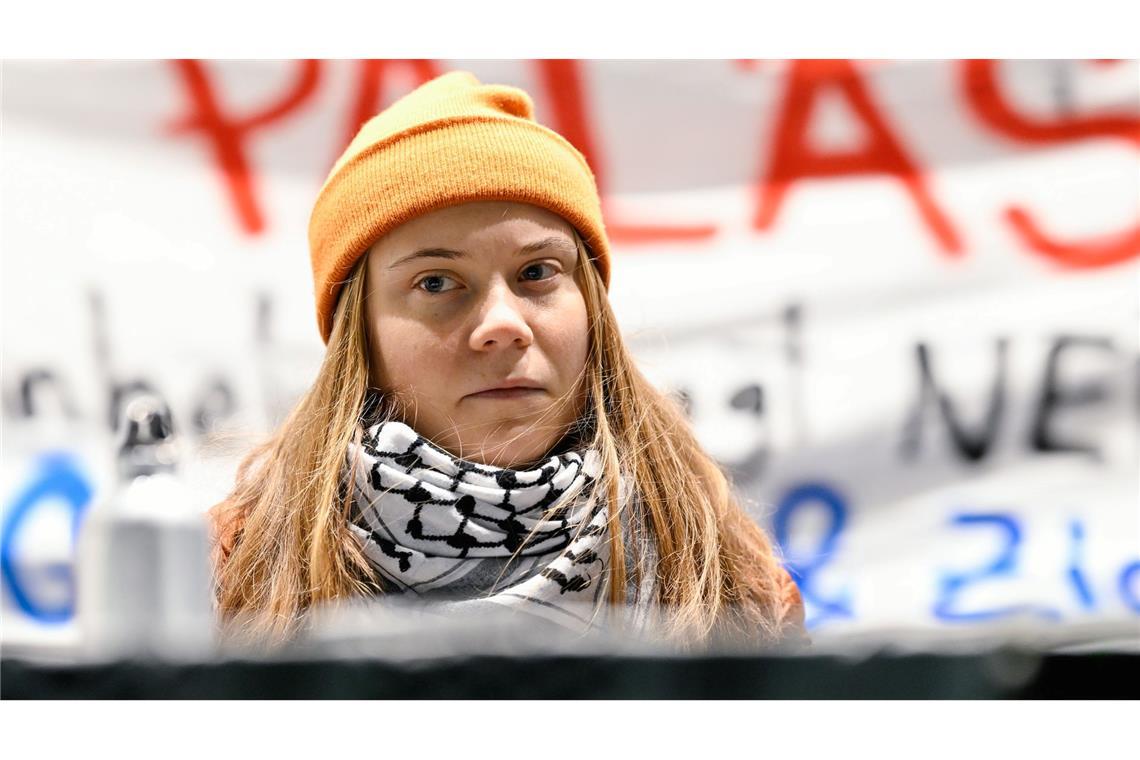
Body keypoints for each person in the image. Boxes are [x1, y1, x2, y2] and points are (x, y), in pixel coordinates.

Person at [209, 70, 806, 651]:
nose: (502, 324)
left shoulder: (726, 577)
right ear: (358, 334)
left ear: (592, 308)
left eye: (537, 273)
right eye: (437, 282)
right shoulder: (232, 574)